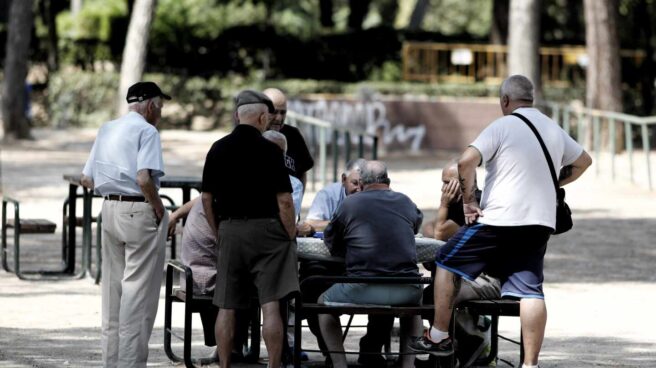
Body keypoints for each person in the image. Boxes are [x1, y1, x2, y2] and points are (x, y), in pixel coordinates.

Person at [408, 75, 592, 368]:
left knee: (445, 260)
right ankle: (530, 364)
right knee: (530, 290)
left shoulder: (502, 126)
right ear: (531, 98)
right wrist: (552, 180)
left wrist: (469, 202)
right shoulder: (552, 128)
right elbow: (584, 161)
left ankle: (439, 335)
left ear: (505, 101)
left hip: (500, 220)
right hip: (540, 222)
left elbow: (466, 161)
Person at [201, 90, 299, 368]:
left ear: (236, 116)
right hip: (268, 232)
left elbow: (206, 199)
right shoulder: (270, 150)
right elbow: (285, 201)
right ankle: (274, 365)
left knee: (226, 304)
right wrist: (289, 233)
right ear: (262, 117)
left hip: (231, 230)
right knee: (271, 304)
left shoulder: (217, 148)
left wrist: (218, 229)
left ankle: (224, 364)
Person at [80, 81, 171, 368]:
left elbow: (87, 179)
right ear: (149, 105)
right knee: (137, 296)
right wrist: (157, 206)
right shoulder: (147, 131)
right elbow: (144, 178)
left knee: (112, 292)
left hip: (109, 209)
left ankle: (111, 362)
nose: (161, 112)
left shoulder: (107, 128)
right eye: (160, 105)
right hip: (138, 210)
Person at [319, 160, 424, 368]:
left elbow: (331, 241)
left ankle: (339, 364)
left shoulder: (349, 204)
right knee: (415, 307)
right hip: (406, 289)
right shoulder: (405, 201)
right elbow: (414, 227)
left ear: (362, 182)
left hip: (362, 287)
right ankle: (408, 364)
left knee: (322, 304)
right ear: (389, 181)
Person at [263, 88, 314, 190]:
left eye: (283, 113)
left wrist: (298, 200)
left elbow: (302, 172)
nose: (279, 118)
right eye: (274, 112)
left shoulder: (293, 135)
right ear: (261, 111)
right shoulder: (251, 135)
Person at [305, 158, 367, 231]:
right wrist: (347, 224)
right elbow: (311, 223)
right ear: (344, 179)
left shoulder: (373, 193)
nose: (359, 189)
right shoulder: (328, 194)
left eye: (364, 184)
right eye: (355, 183)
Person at [262, 130, 304, 219]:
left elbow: (289, 216)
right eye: (270, 149)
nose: (275, 155)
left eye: (280, 152)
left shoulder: (294, 184)